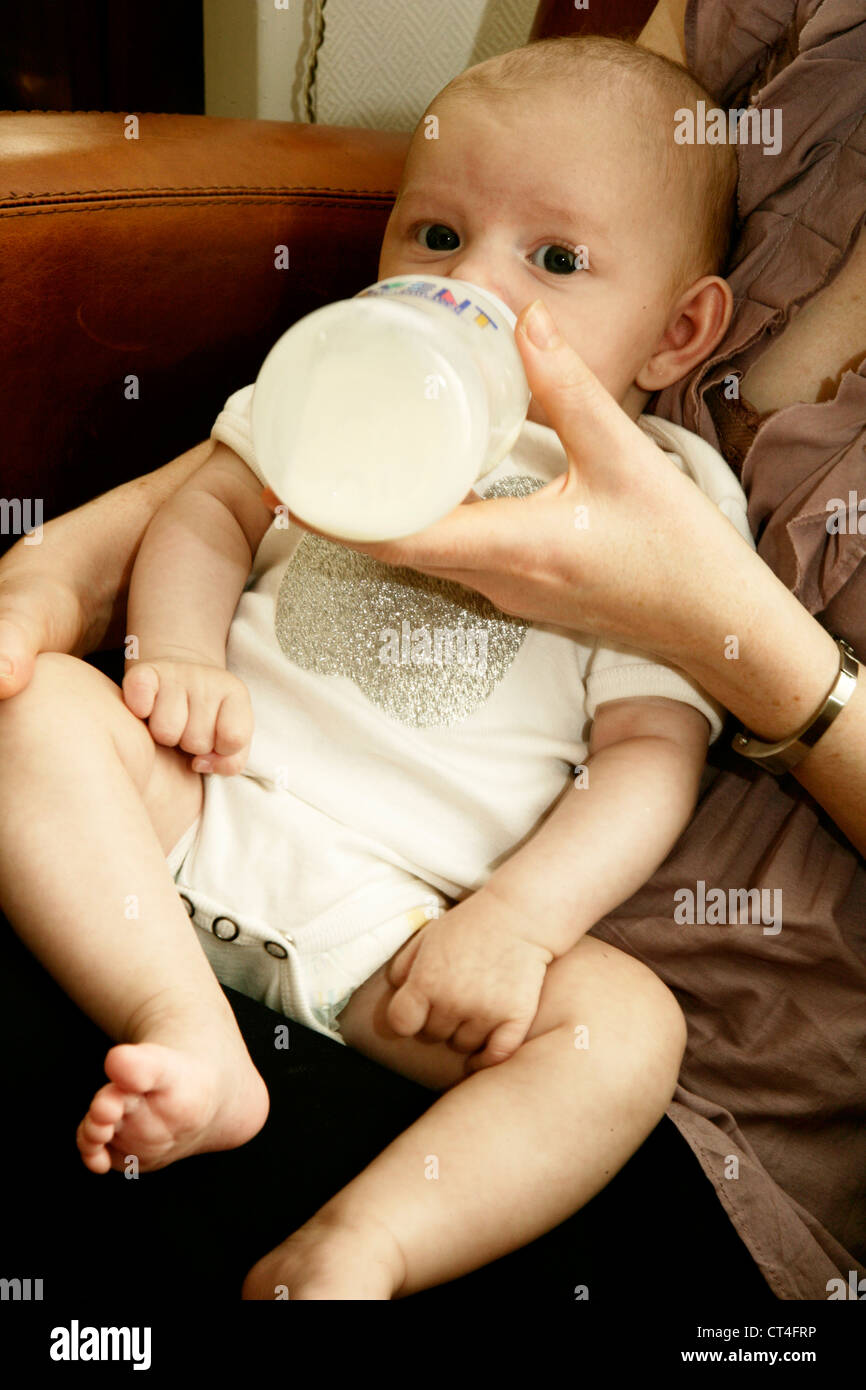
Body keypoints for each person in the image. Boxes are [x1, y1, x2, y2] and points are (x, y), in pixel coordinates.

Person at [1, 3, 863, 1301]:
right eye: (437, 233)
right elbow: (210, 508)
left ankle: (368, 1242)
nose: (471, 282)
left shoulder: (670, 499)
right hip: (190, 804)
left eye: (555, 258)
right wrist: (177, 651)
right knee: (40, 712)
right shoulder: (335, 382)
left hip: (404, 930)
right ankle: (180, 1028)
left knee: (623, 1029)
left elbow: (643, 755)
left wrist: (519, 920)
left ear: (679, 333)